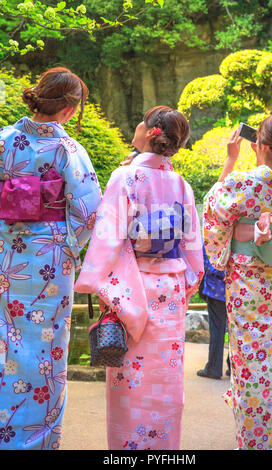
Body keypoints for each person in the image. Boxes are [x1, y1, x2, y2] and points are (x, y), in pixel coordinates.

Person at [75, 105, 204, 450]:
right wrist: (183, 283)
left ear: (149, 133)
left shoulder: (126, 177)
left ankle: (128, 450)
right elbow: (193, 252)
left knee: (130, 379)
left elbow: (108, 239)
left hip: (132, 289)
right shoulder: (182, 185)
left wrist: (99, 282)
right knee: (165, 380)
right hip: (171, 288)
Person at [0, 67, 101, 450]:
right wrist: (67, 246)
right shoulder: (68, 150)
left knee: (4, 344)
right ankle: (37, 441)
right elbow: (90, 214)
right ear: (70, 109)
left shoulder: (3, 140)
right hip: (49, 264)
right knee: (46, 351)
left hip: (5, 258)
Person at [203, 112, 272, 450]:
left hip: (249, 280)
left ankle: (254, 442)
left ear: (258, 144)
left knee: (250, 362)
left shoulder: (242, 182)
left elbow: (212, 214)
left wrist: (230, 162)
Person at [197, 246, 230, 379]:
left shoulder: (213, 232)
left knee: (217, 330)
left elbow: (205, 261)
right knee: (235, 330)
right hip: (238, 288)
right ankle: (234, 366)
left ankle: (213, 368)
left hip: (216, 289)